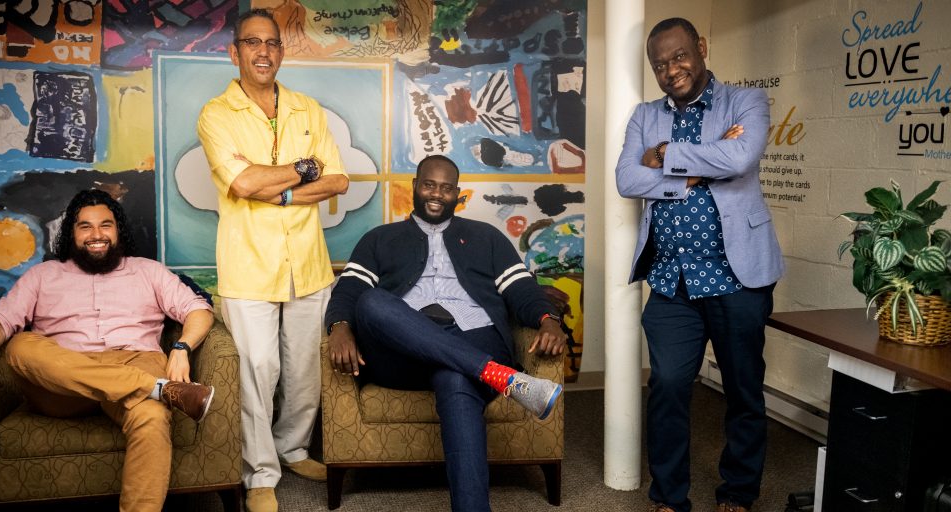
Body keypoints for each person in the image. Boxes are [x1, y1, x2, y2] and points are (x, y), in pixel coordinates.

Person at [0, 189, 216, 512]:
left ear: (118, 230)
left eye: (105, 225)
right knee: (21, 345)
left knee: (152, 417)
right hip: (63, 383)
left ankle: (153, 392)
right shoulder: (42, 276)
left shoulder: (148, 271)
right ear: (71, 233)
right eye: (85, 226)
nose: (96, 235)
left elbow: (198, 310)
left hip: (135, 359)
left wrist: (181, 347)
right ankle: (159, 389)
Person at [325, 155, 566, 512]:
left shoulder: (486, 237)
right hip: (402, 355)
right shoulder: (380, 239)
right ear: (415, 187)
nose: (436, 194)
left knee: (455, 377)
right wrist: (339, 326)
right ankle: (501, 377)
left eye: (446, 187)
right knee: (373, 300)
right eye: (429, 184)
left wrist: (549, 318)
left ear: (457, 193)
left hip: (474, 336)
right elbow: (348, 291)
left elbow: (521, 290)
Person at [614, 18, 784, 512]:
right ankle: (669, 496)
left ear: (701, 48)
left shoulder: (745, 102)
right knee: (666, 386)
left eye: (680, 56)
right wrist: (690, 174)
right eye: (660, 65)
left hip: (738, 277)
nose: (672, 70)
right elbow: (627, 178)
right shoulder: (644, 114)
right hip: (673, 280)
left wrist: (664, 155)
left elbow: (741, 156)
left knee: (743, 389)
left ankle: (738, 491)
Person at [196, 8, 349, 512]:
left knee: (305, 368)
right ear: (234, 51)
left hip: (308, 261)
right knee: (257, 369)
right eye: (253, 43)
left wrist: (279, 190)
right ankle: (259, 471)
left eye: (273, 43)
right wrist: (303, 171)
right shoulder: (216, 114)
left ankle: (293, 447)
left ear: (282, 52)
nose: (264, 52)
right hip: (248, 266)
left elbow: (338, 181)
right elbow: (242, 184)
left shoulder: (308, 108)